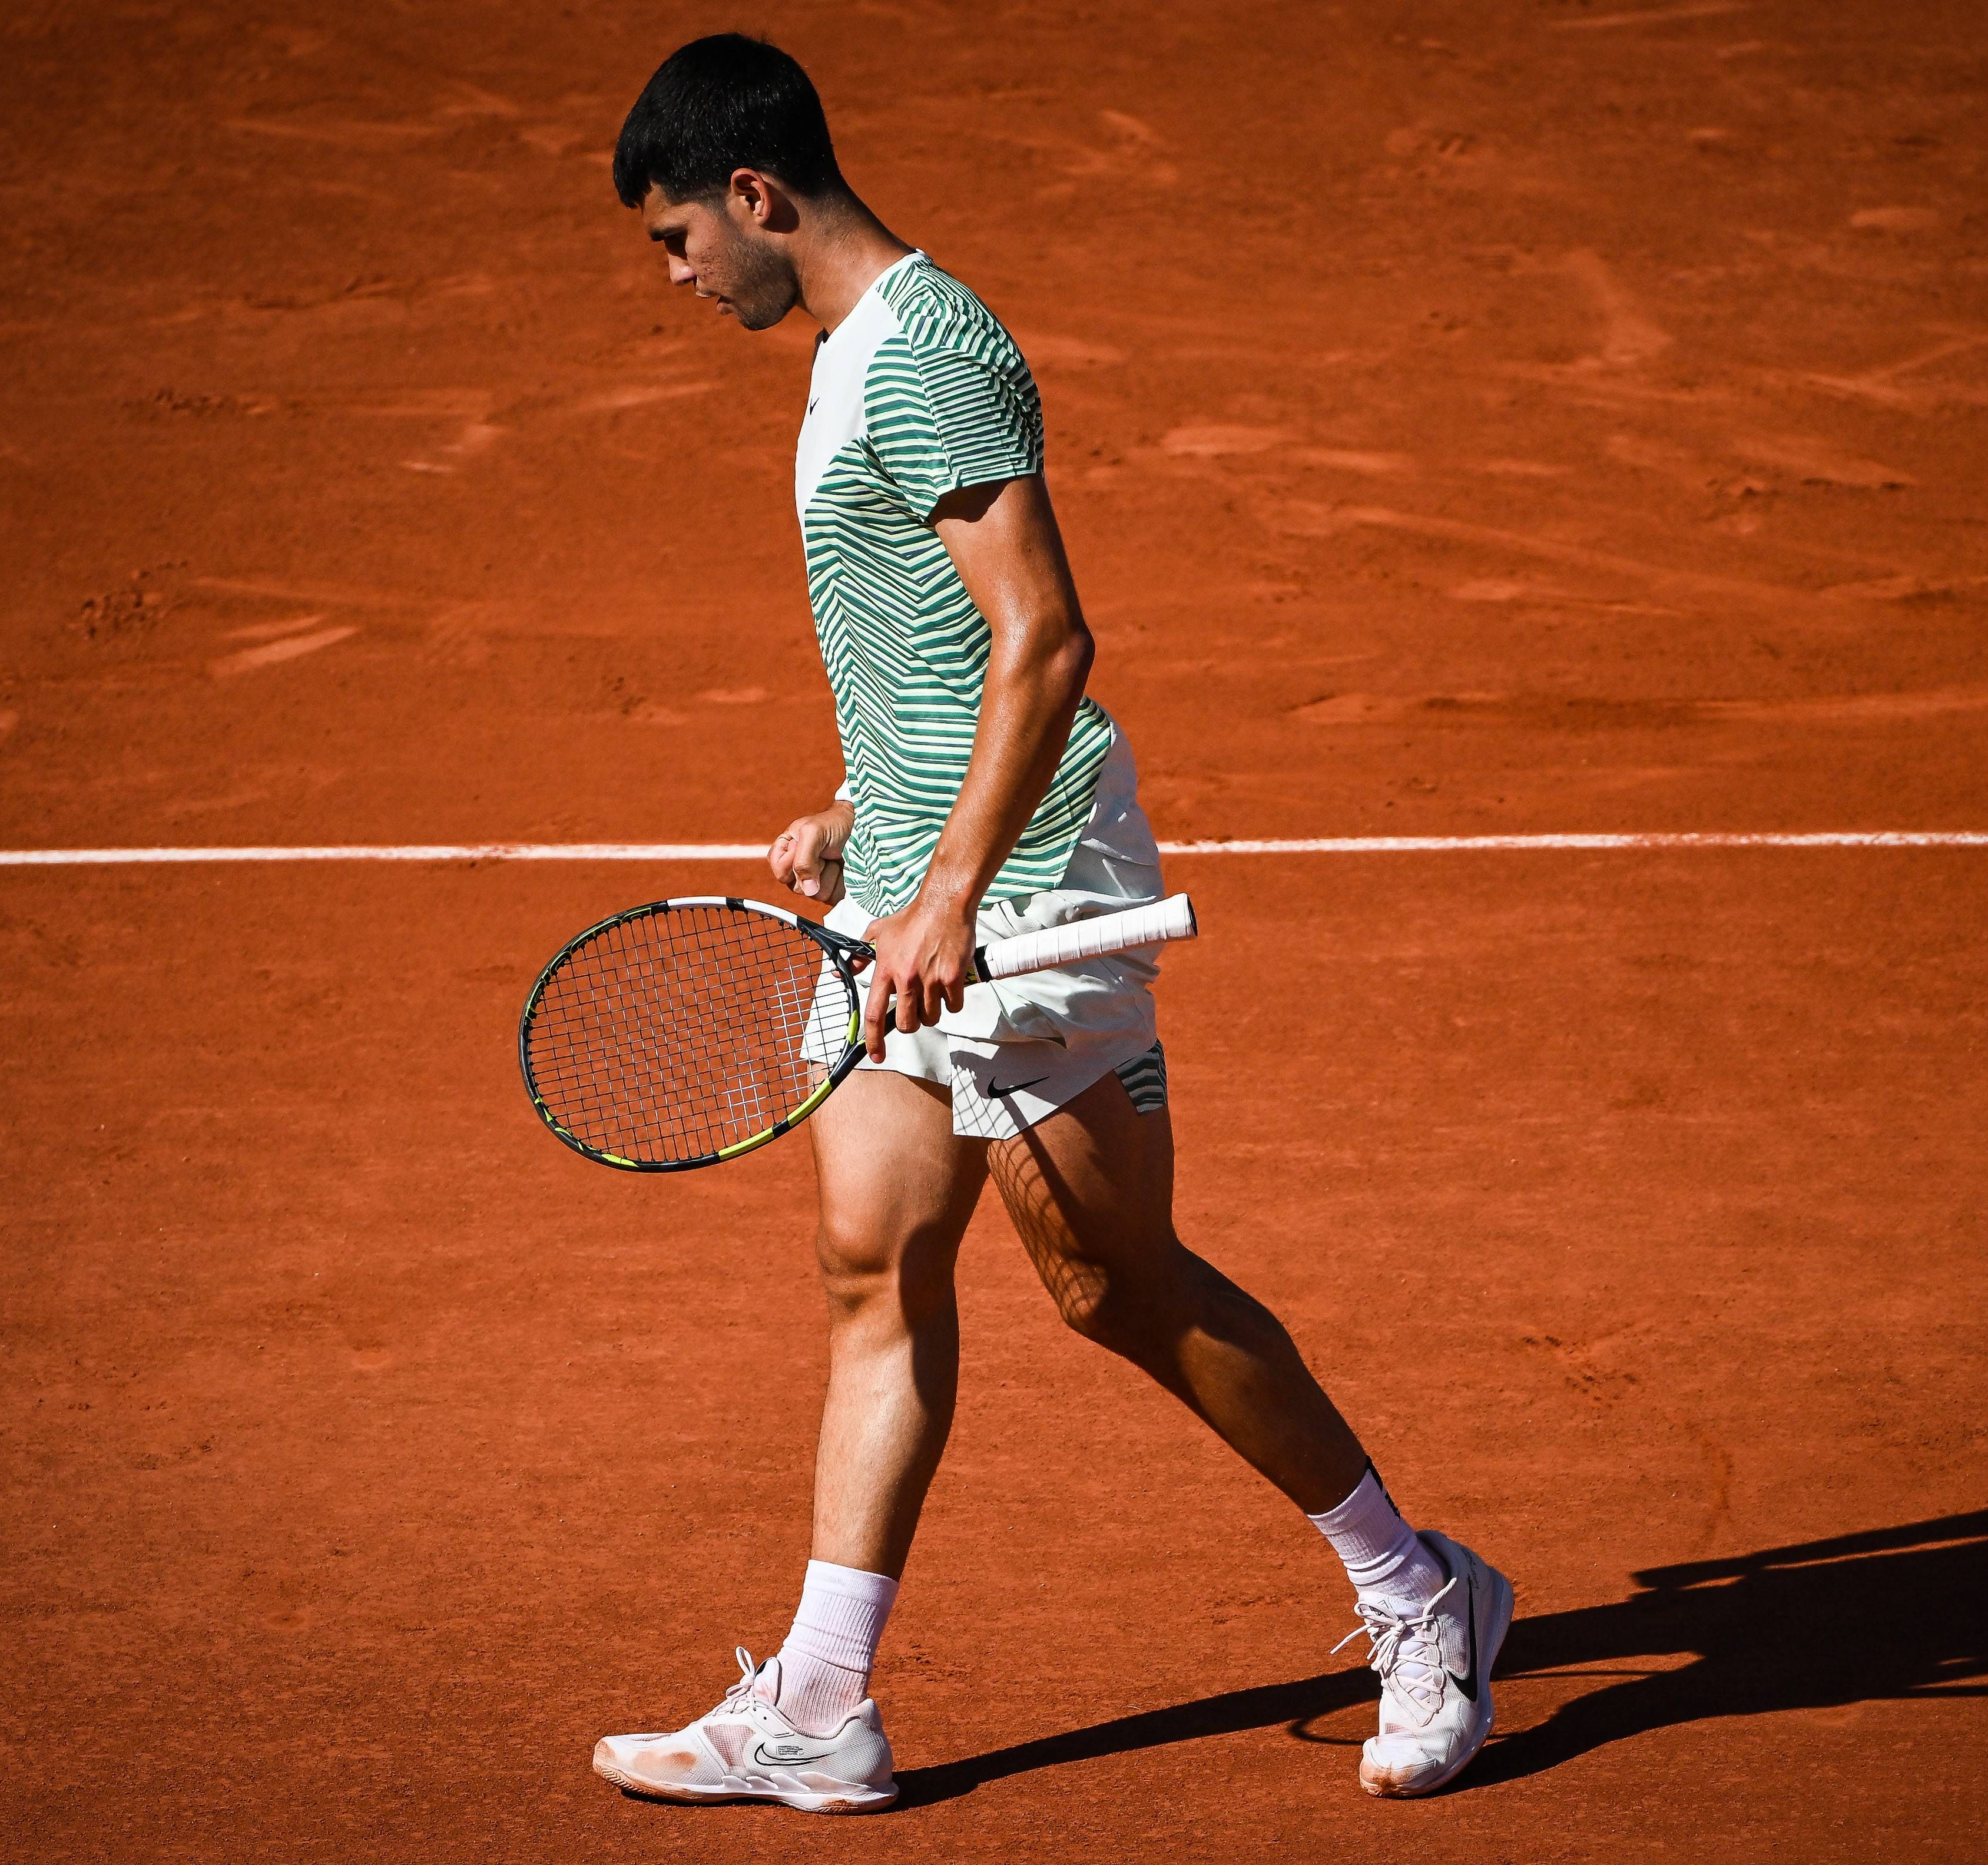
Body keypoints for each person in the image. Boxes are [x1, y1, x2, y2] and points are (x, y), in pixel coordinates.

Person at [585, 35, 1511, 1813]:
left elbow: (1049, 642)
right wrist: (868, 802)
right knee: (873, 1264)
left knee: (1114, 1285)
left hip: (1022, 889)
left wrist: (944, 888)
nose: (678, 276)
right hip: (922, 872)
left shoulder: (922, 357)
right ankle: (821, 1707)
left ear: (758, 195)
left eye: (678, 238)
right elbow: (944, 652)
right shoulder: (860, 358)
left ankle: (1424, 1594)